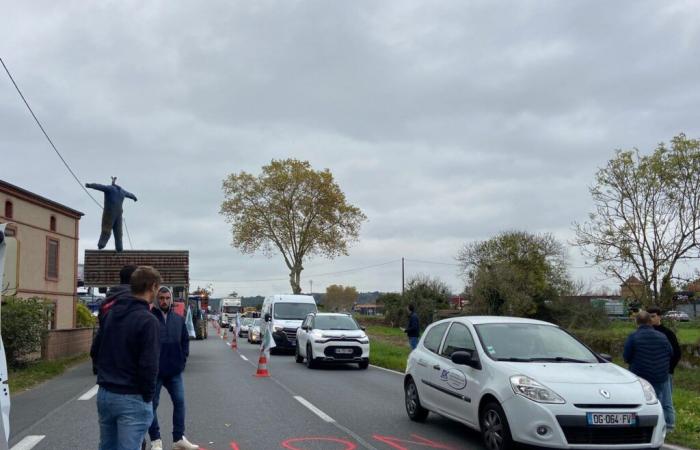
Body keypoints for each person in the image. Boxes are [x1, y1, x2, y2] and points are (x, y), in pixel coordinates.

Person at [94, 266, 161, 450]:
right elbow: (149, 365)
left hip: (105, 394)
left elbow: (95, 349)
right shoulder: (148, 321)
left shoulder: (111, 313)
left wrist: (103, 376)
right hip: (131, 396)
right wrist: (147, 397)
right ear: (153, 287)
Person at [148, 287, 198, 450]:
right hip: (155, 373)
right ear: (156, 299)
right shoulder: (149, 319)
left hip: (174, 372)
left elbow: (185, 341)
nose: (164, 301)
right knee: (151, 406)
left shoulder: (178, 319)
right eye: (161, 298)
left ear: (171, 299)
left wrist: (182, 360)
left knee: (180, 403)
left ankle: (179, 438)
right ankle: (156, 440)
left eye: (167, 298)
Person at [623, 310, 674, 430]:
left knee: (642, 402)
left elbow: (626, 357)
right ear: (650, 322)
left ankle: (645, 427)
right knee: (660, 401)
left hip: (641, 375)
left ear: (637, 322)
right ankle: (665, 427)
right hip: (660, 375)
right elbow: (670, 352)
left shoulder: (633, 337)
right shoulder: (662, 336)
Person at [91, 265, 138, 374]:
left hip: (107, 360)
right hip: (130, 364)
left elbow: (101, 332)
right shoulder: (137, 300)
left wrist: (96, 362)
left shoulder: (106, 301)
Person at [648, 306, 681, 430]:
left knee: (666, 400)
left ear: (659, 317)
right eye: (649, 316)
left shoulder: (667, 333)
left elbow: (676, 353)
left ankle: (669, 426)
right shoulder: (645, 332)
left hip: (665, 371)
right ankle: (656, 426)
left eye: (653, 316)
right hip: (650, 371)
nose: (651, 319)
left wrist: (669, 368)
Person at [86, 176, 138, 252]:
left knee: (107, 230)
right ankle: (119, 248)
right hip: (118, 214)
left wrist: (89, 185)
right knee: (118, 233)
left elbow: (99, 186)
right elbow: (130, 194)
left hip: (110, 213)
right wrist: (134, 197)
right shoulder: (122, 191)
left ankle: (102, 244)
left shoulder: (110, 188)